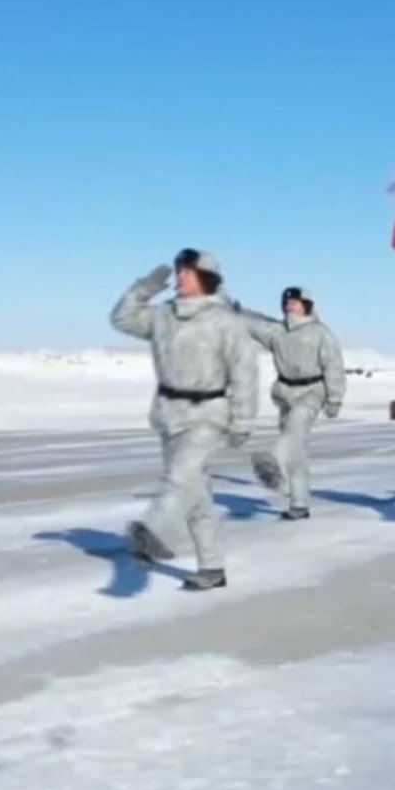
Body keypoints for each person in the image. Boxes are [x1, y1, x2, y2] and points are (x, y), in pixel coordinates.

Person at [110, 249, 258, 591]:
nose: (179, 278)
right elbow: (122, 319)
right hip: (169, 414)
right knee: (195, 494)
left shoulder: (226, 322)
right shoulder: (164, 315)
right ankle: (212, 568)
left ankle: (157, 534)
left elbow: (245, 373)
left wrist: (242, 420)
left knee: (179, 479)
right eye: (178, 272)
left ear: (206, 278)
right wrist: (143, 289)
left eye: (187, 273)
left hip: (208, 415)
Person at [237, 286, 347, 521]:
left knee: (296, 428)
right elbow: (253, 326)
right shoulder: (277, 331)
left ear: (307, 304)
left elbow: (334, 366)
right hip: (286, 392)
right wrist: (234, 312)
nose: (290, 305)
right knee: (296, 452)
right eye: (287, 301)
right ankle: (298, 503)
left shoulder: (320, 333)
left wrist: (335, 398)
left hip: (312, 391)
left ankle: (273, 461)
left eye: (295, 301)